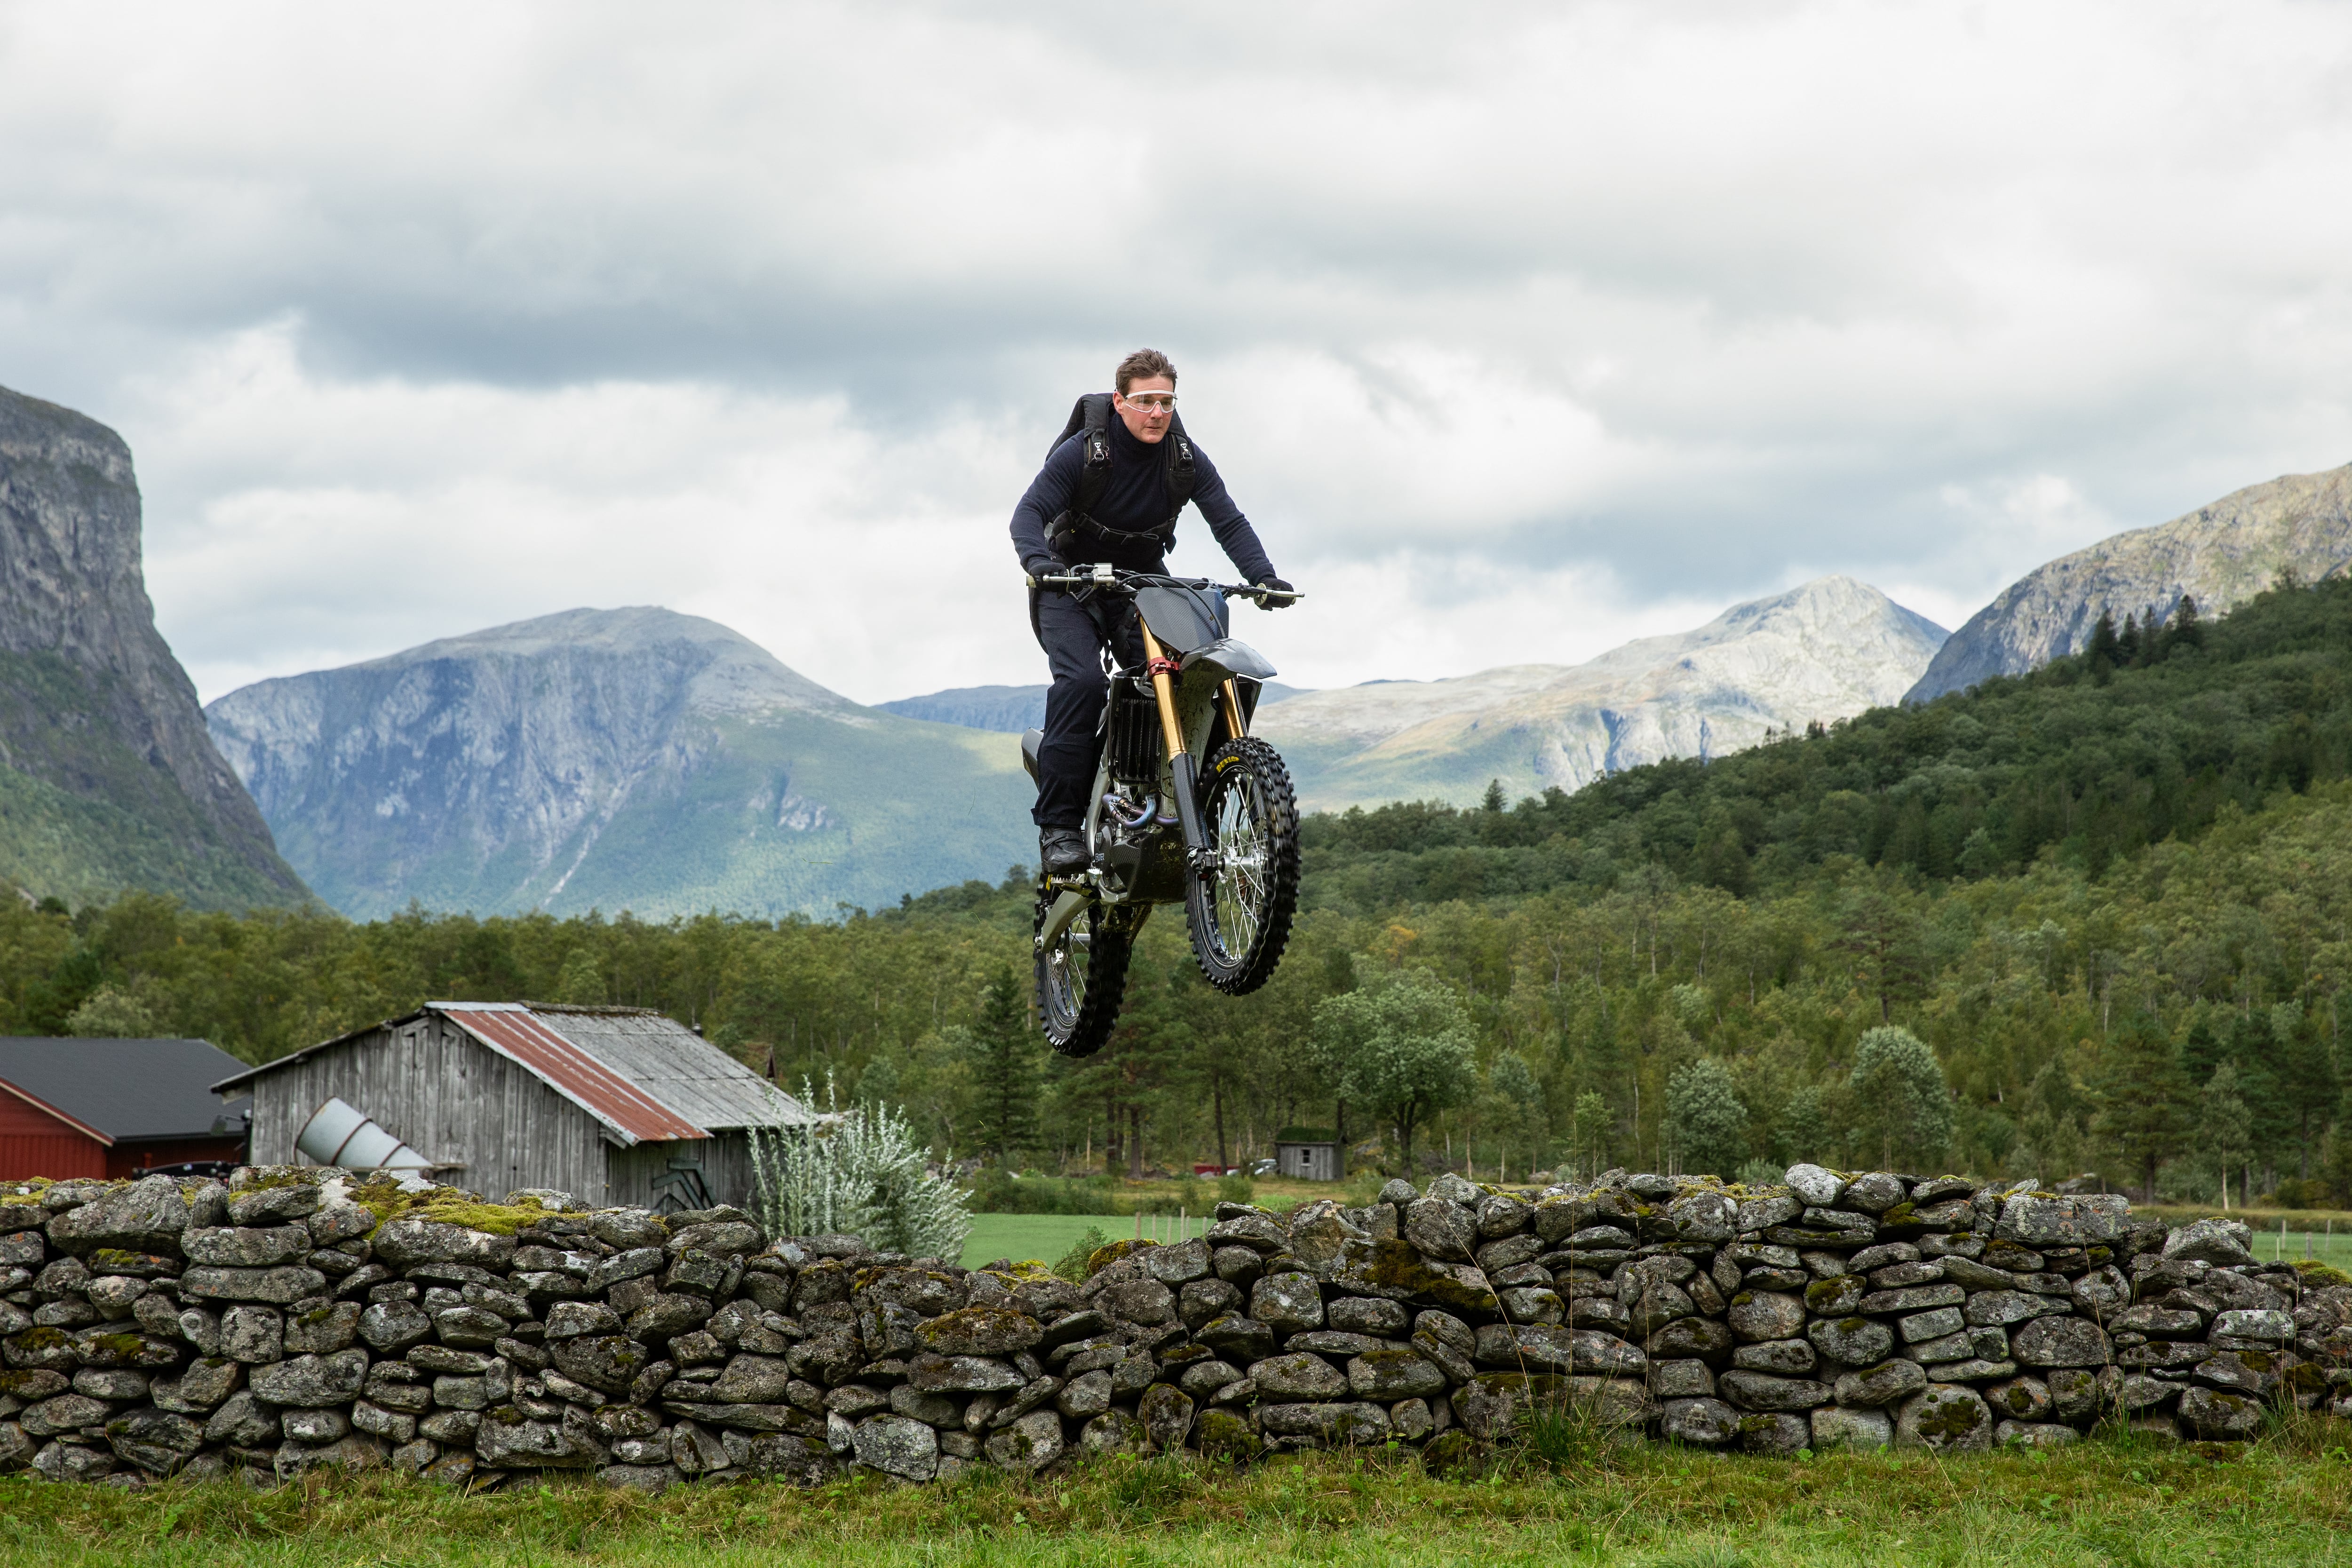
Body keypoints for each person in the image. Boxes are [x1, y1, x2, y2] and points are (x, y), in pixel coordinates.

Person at [1009, 348, 1293, 877]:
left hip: (1140, 580)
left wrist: (1263, 577)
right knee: (1082, 684)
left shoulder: (1183, 459)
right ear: (1120, 402)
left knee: (1181, 677)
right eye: (1145, 401)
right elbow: (1028, 513)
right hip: (1069, 577)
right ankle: (1061, 827)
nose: (1156, 412)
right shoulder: (1084, 454)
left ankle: (1169, 797)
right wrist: (1040, 562)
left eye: (1165, 401)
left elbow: (1227, 520)